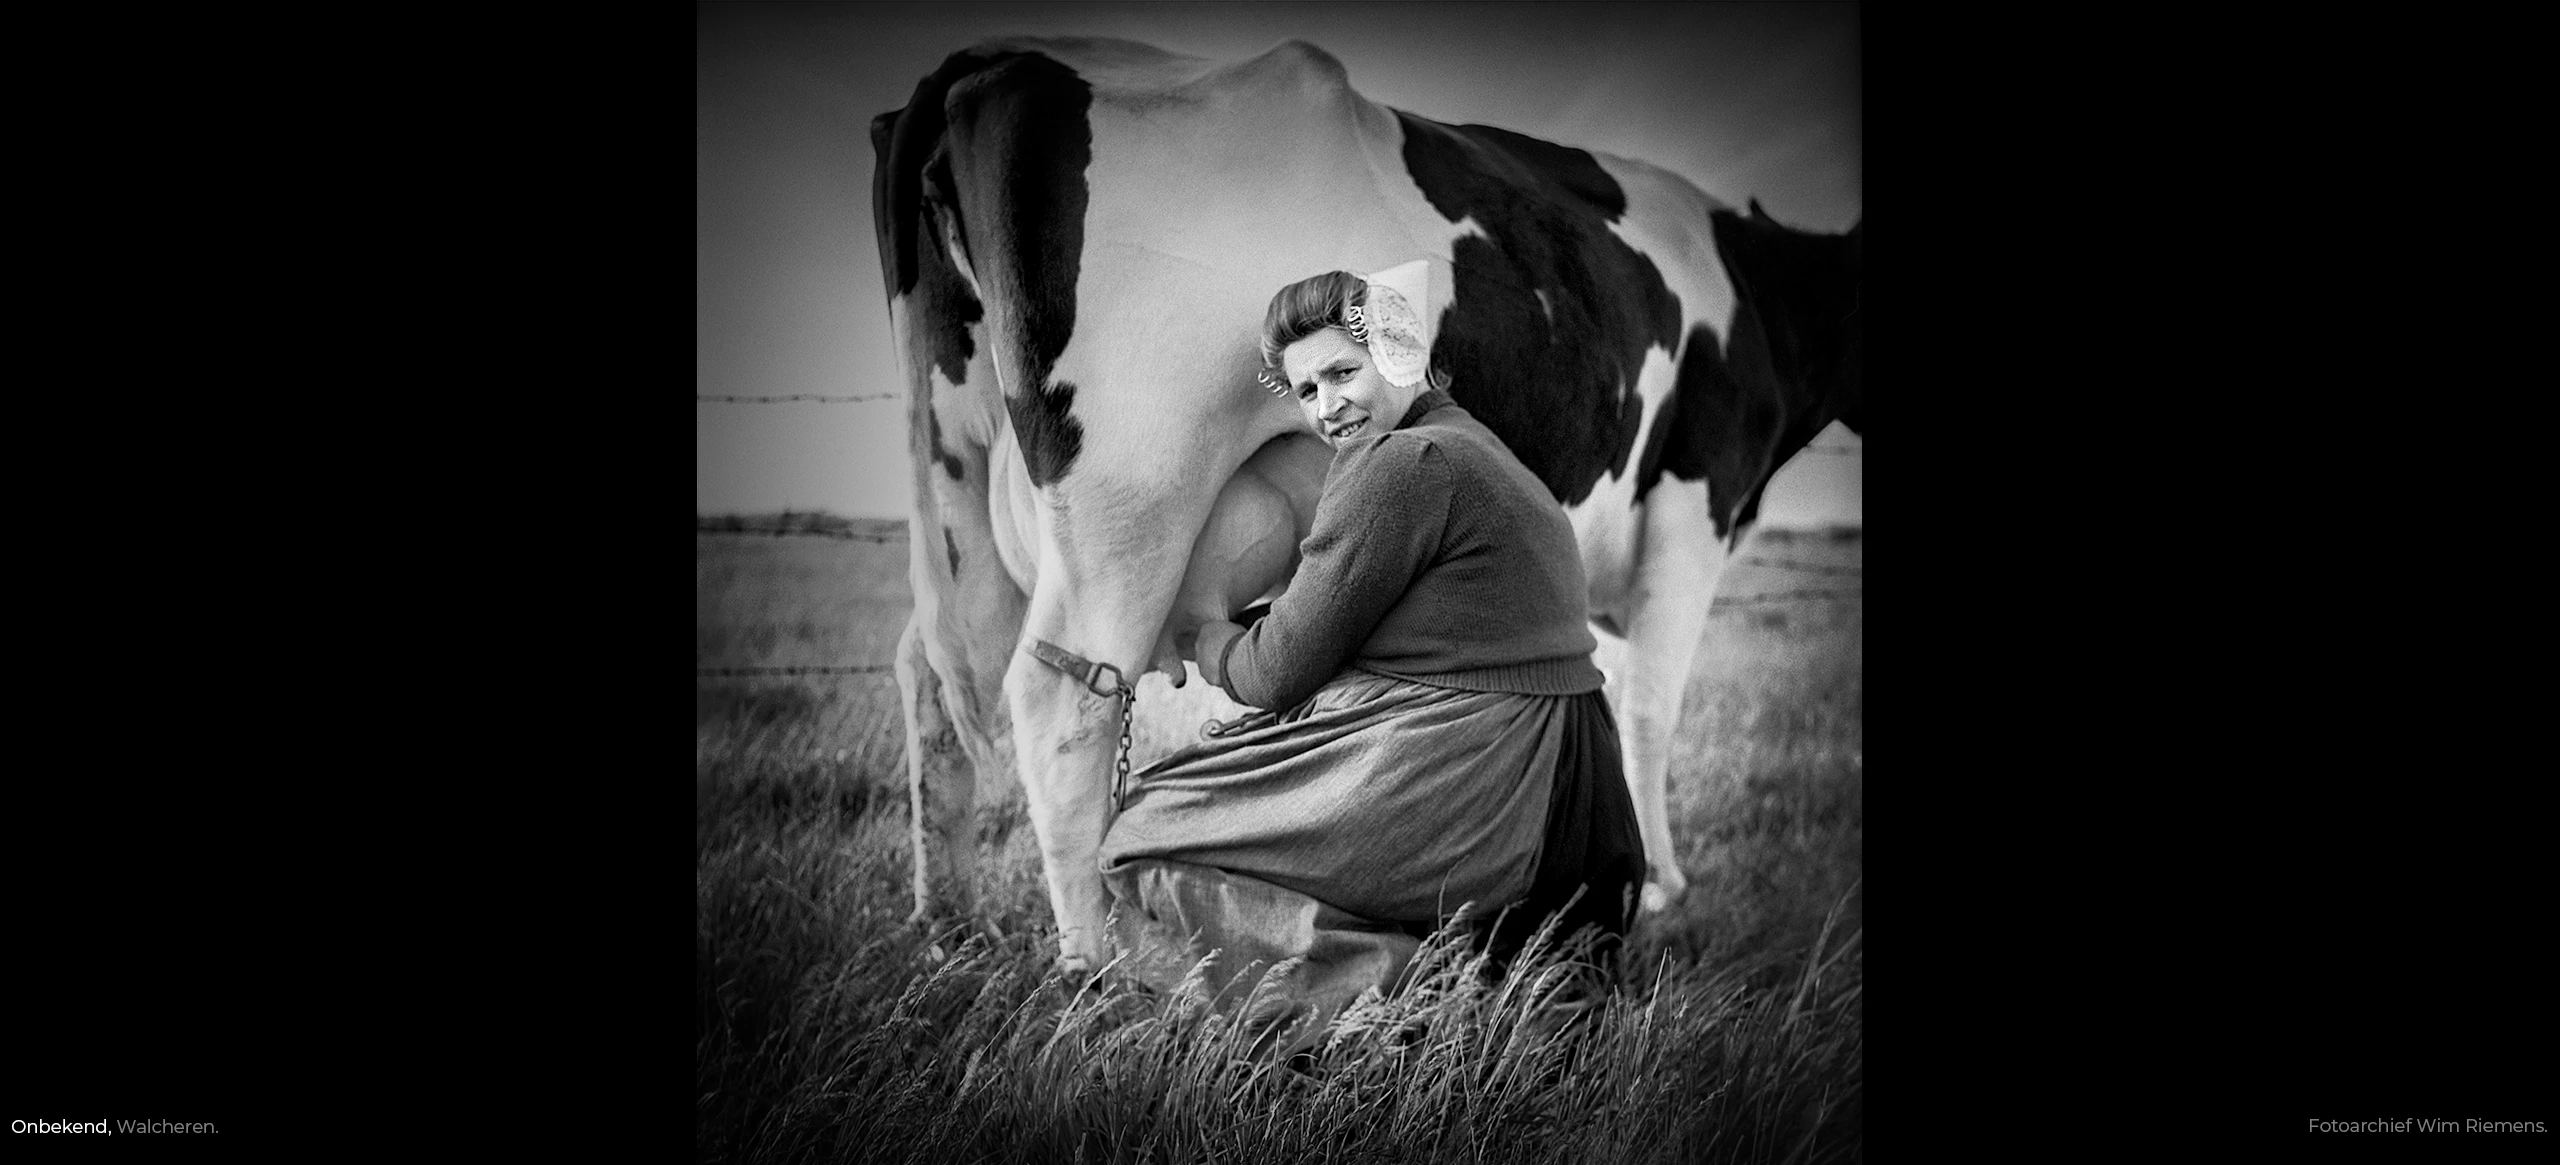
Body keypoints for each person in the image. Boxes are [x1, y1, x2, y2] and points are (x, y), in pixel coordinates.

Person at [1093, 260, 1646, 1034]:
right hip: (1577, 808)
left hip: (1492, 787)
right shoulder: (1482, 451)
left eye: (1341, 372)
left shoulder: (1400, 465)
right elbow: (1359, 616)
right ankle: (1461, 962)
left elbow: (1274, 671)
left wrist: (1198, 627)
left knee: (1141, 836)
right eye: (1307, 391)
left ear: (1400, 352)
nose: (1327, 407)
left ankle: (1412, 993)